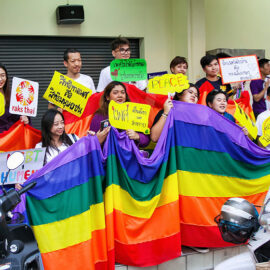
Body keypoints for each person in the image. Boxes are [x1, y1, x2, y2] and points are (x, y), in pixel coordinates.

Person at [90, 81, 149, 147]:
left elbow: (146, 141)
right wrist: (98, 140)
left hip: (129, 155)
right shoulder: (99, 115)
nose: (120, 95)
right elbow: (91, 144)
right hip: (108, 156)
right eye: (115, 93)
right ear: (107, 97)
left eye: (123, 92)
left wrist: (137, 136)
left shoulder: (134, 113)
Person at [0, 63, 30, 133]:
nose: (0, 79)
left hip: (13, 138)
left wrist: (25, 118)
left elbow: (22, 116)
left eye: (2, 75)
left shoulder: (15, 96)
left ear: (6, 77)